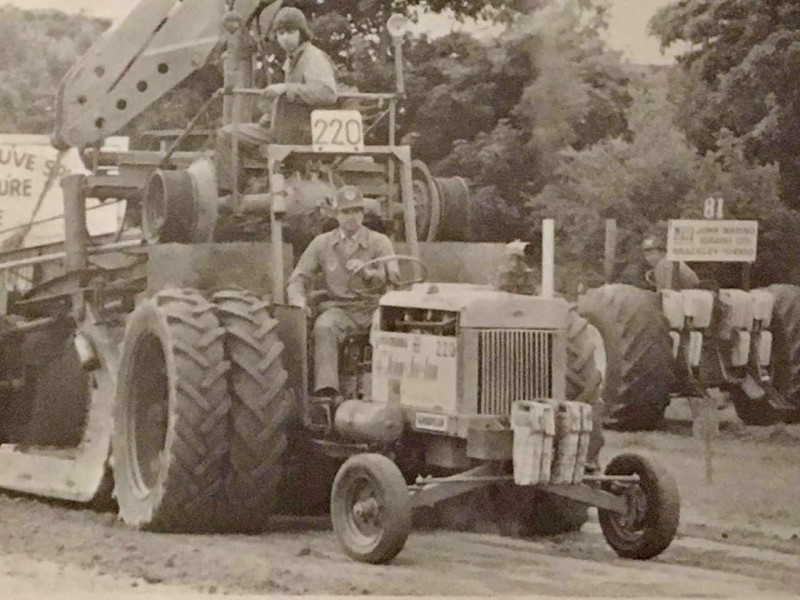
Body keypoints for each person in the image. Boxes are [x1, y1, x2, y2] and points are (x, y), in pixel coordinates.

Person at [287, 185, 399, 397]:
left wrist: (370, 273)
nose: (351, 217)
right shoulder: (322, 244)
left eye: (356, 211)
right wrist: (298, 302)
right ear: (336, 215)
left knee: (388, 326)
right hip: (340, 309)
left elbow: (394, 276)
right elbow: (298, 278)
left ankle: (387, 388)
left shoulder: (379, 242)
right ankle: (328, 391)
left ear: (363, 214)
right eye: (346, 212)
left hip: (373, 306)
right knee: (324, 326)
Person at [216, 6, 338, 192]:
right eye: (280, 33)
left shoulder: (313, 57)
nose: (284, 38)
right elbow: (293, 99)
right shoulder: (292, 59)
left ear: (302, 33)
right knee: (228, 133)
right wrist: (271, 116)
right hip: (284, 128)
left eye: (290, 32)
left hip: (301, 133)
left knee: (226, 135)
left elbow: (328, 93)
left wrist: (285, 88)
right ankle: (240, 190)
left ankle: (231, 196)